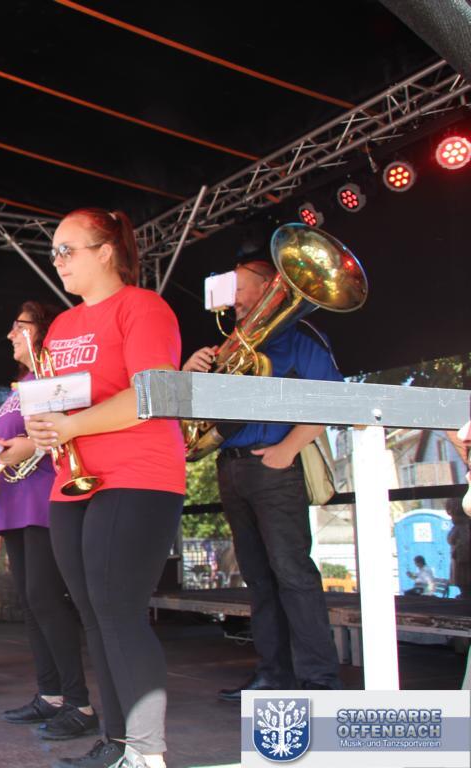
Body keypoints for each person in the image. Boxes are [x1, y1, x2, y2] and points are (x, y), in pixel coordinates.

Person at [25, 208, 185, 768]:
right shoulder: (61, 327)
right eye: (54, 253)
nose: (57, 261)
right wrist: (43, 426)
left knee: (118, 610)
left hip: (138, 475)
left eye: (67, 250)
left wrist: (70, 426)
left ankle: (146, 752)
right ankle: (118, 741)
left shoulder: (144, 307)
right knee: (95, 615)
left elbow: (150, 396)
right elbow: (54, 401)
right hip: (72, 481)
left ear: (107, 251)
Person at [183, 254, 344, 699]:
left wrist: (286, 449)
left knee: (293, 575)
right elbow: (198, 420)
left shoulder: (299, 333)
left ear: (269, 286)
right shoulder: (229, 343)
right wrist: (191, 374)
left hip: (274, 466)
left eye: (238, 288)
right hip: (233, 466)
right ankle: (274, 674)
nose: (231, 299)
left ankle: (319, 682)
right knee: (258, 578)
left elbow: (333, 399)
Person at [0, 301, 98, 741]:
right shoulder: (20, 385)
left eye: (19, 326)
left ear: (42, 330)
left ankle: (79, 702)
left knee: (46, 597)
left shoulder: (53, 376)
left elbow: (62, 427)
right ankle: (51, 694)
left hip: (43, 497)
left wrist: (26, 446)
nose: (11, 335)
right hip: (14, 500)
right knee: (32, 602)